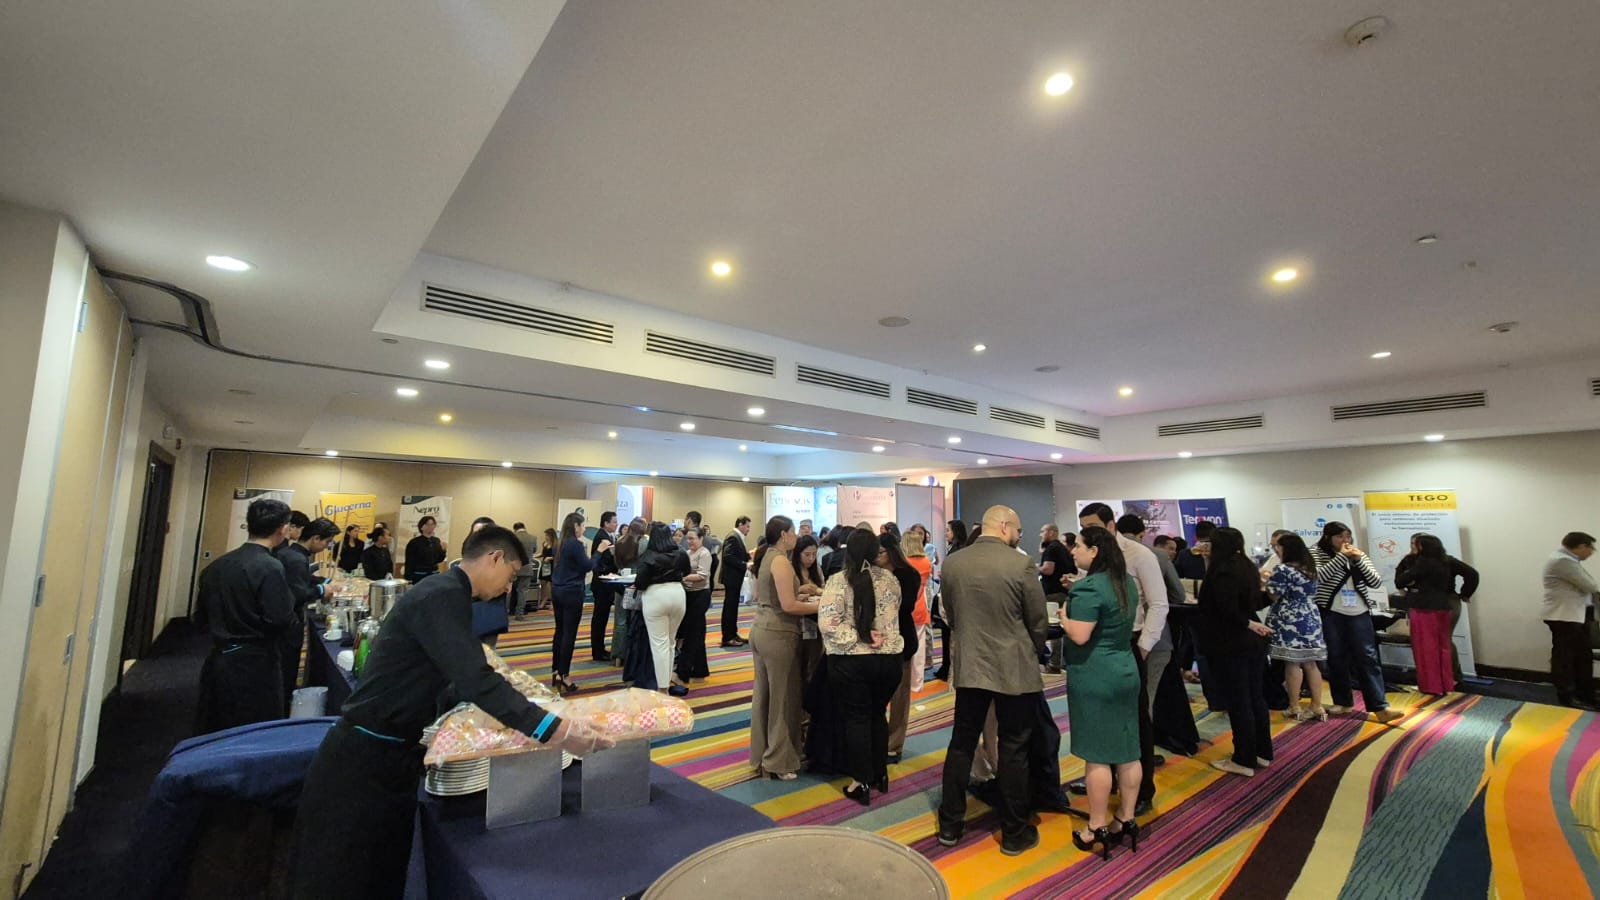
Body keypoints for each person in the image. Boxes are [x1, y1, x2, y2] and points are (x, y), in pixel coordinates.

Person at [288, 526, 612, 899]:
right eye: (510, 576)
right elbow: (476, 679)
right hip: (364, 761)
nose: (509, 588)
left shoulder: (447, 592)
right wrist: (555, 730)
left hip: (390, 753)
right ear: (494, 558)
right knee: (344, 877)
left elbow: (454, 677)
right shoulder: (442, 595)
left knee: (380, 873)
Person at [936, 505, 1048, 857]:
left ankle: (950, 824)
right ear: (1003, 526)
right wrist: (1035, 647)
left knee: (961, 744)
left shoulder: (953, 563)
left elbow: (951, 614)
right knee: (1014, 747)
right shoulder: (1021, 564)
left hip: (971, 665)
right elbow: (1038, 620)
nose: (1018, 535)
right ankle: (1014, 832)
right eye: (1017, 529)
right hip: (1013, 668)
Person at [1067, 504, 1165, 817]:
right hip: (1099, 647)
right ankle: (1106, 784)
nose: (1086, 532)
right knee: (1103, 726)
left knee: (1132, 725)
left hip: (1127, 644)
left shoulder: (1139, 555)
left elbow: (1158, 604)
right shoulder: (1095, 565)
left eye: (1092, 527)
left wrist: (1144, 646)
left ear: (1110, 526)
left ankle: (1140, 793)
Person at [1061, 526, 1144, 858]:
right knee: (1128, 750)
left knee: (1097, 755)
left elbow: (1080, 636)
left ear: (1094, 551)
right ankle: (1126, 817)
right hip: (1125, 668)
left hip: (1095, 675)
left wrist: (1063, 617)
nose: (1073, 551)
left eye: (1078, 546)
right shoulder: (1126, 582)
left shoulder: (1089, 588)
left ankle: (1095, 825)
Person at [193, 498, 297, 733]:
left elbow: (200, 619)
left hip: (218, 660)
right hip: (256, 663)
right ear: (283, 529)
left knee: (216, 727)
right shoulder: (270, 567)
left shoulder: (216, 566)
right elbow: (280, 619)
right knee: (254, 730)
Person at [818, 530, 905, 805]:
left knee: (857, 719)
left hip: (852, 661)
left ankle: (860, 781)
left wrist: (860, 636)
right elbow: (895, 612)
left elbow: (828, 624)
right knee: (877, 714)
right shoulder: (890, 579)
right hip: (889, 660)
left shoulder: (839, 581)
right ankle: (880, 774)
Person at [1196, 527, 1275, 776]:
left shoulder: (1222, 572)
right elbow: (1253, 602)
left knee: (1239, 701)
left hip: (1229, 643)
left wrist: (1247, 623)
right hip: (1249, 643)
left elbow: (1226, 609)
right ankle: (1262, 752)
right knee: (1254, 698)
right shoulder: (1245, 566)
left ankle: (1243, 758)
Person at [1311, 522, 1403, 724]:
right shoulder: (1316, 553)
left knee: (1367, 657)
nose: (1345, 541)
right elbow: (1319, 577)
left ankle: (1380, 706)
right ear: (1327, 537)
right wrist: (1341, 557)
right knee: (1336, 657)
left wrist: (1358, 560)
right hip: (1331, 611)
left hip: (1359, 611)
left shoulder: (1358, 553)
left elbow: (1375, 581)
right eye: (1340, 537)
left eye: (1348, 537)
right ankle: (1343, 701)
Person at [750, 516, 820, 780]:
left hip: (764, 629)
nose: (796, 537)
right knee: (783, 699)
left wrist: (801, 592)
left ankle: (763, 755)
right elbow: (788, 606)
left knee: (765, 697)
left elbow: (775, 597)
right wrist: (821, 605)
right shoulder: (780, 560)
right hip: (778, 634)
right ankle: (778, 761)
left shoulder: (768, 556)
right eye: (792, 532)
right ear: (783, 535)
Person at [1395, 533, 1479, 695]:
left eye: (1416, 544)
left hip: (1425, 608)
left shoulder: (1422, 563)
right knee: (1443, 645)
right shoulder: (1444, 562)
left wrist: (1411, 583)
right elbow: (1472, 574)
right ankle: (1447, 682)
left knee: (1426, 647)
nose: (1413, 547)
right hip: (1443, 606)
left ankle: (1431, 685)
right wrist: (1465, 594)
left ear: (1423, 547)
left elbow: (1400, 581)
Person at [1264, 533, 1328, 720]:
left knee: (1292, 663)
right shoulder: (1310, 568)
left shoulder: (1283, 569)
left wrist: (1265, 582)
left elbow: (1274, 594)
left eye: (1278, 547)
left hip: (1289, 618)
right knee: (1311, 664)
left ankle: (1294, 705)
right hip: (1310, 616)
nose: (1276, 550)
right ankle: (1317, 705)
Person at [276, 516, 339, 702]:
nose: (326, 547)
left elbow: (301, 579)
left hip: (285, 622)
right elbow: (298, 593)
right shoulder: (296, 559)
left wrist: (323, 581)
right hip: (288, 623)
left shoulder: (291, 554)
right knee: (287, 670)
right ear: (316, 538)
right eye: (327, 542)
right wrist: (322, 590)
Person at [551, 512, 608, 694]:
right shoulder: (575, 544)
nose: (584, 529)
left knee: (560, 631)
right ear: (576, 526)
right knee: (569, 634)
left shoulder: (559, 543)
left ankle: (556, 671)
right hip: (572, 592)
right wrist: (599, 551)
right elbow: (588, 566)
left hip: (557, 590)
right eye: (583, 526)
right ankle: (564, 674)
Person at [1541, 531, 1598, 710]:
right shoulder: (1562, 561)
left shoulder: (1569, 560)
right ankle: (1567, 696)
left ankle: (1584, 694)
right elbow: (1591, 585)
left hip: (1574, 615)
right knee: (1565, 658)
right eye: (1591, 548)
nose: (1592, 552)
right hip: (1564, 617)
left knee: (1582, 656)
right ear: (1581, 546)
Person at [635, 522, 691, 697]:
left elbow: (640, 582)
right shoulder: (680, 553)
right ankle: (666, 682)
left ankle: (662, 688)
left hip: (656, 596)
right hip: (678, 593)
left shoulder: (648, 555)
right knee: (671, 642)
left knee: (659, 644)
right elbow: (687, 571)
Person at [880, 534, 922, 765]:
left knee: (899, 696)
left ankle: (894, 745)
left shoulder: (908, 574)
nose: (877, 557)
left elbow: (905, 607)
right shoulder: (871, 573)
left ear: (891, 552)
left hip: (901, 639)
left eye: (881, 552)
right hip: (876, 641)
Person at [675, 527, 715, 682]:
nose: (689, 541)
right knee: (697, 633)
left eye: (692, 538)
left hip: (700, 595)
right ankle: (699, 669)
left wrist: (683, 578)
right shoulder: (688, 553)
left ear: (701, 539)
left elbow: (702, 576)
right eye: (688, 539)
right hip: (689, 595)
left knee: (692, 634)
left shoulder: (704, 554)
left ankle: (683, 670)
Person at [1039, 524, 1074, 674]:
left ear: (1052, 532)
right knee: (1062, 627)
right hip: (1063, 592)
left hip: (1053, 594)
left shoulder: (1052, 548)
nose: (1040, 534)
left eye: (1043, 531)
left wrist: (1034, 567)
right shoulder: (1060, 548)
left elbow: (1048, 569)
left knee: (1054, 629)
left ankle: (1054, 663)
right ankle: (1062, 661)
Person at [589, 511, 620, 661]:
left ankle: (600, 648)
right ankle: (597, 651)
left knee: (602, 617)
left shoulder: (609, 536)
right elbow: (602, 562)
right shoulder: (602, 537)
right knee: (600, 618)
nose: (616, 524)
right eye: (614, 522)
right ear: (606, 523)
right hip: (602, 583)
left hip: (606, 583)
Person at [720, 516, 753, 647]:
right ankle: (728, 637)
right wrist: (744, 564)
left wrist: (748, 556)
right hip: (731, 578)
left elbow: (736, 554)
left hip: (734, 578)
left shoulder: (736, 536)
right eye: (747, 526)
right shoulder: (733, 537)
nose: (749, 529)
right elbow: (728, 556)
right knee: (730, 608)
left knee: (733, 608)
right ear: (740, 524)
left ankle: (733, 634)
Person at [402, 515, 446, 583]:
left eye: (433, 524)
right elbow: (409, 561)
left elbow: (439, 559)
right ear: (421, 527)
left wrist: (443, 550)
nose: (431, 527)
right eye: (428, 524)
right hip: (419, 575)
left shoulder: (436, 541)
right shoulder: (414, 542)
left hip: (434, 574)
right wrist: (408, 577)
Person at [512, 522, 541, 616]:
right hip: (527, 568)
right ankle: (519, 613)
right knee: (523, 591)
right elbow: (534, 550)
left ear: (515, 529)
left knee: (510, 591)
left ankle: (508, 611)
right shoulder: (533, 538)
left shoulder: (512, 537)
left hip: (514, 569)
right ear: (524, 527)